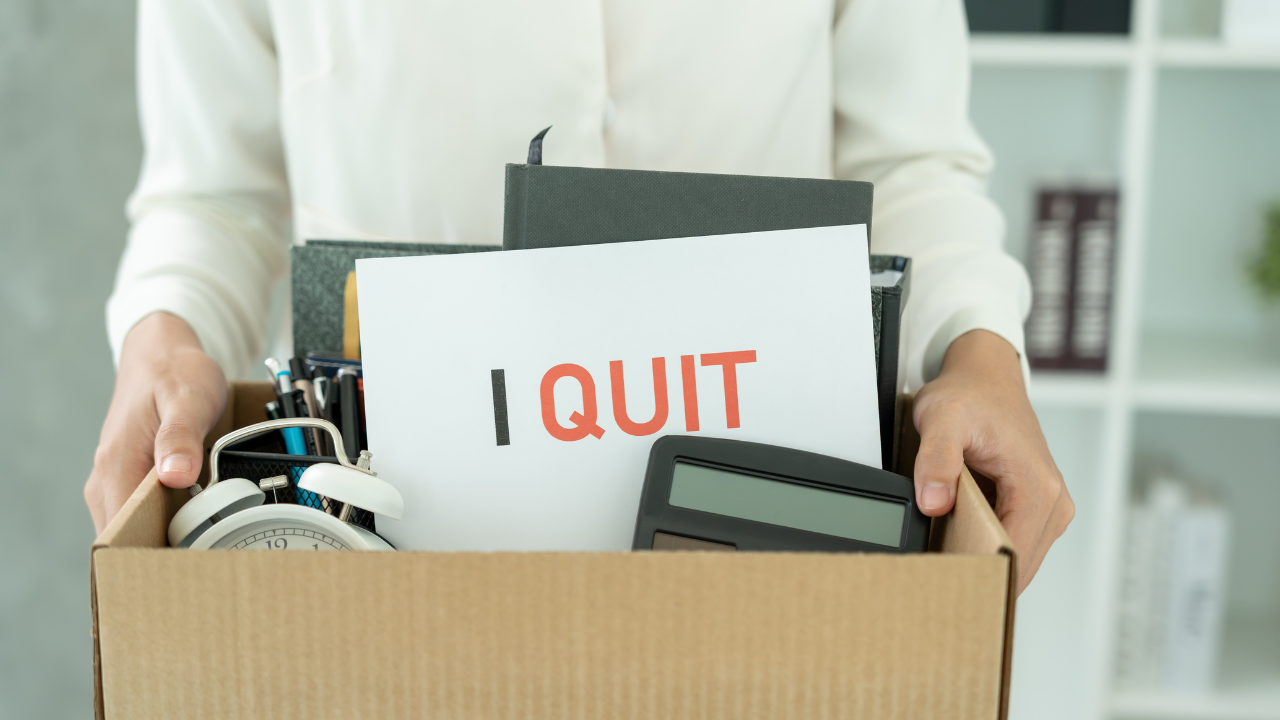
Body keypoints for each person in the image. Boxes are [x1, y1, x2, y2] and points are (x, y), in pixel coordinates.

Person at [87, 0, 1073, 593]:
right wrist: (161, 336)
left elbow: (909, 162)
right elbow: (214, 196)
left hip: (761, 526)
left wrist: (977, 345)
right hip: (386, 537)